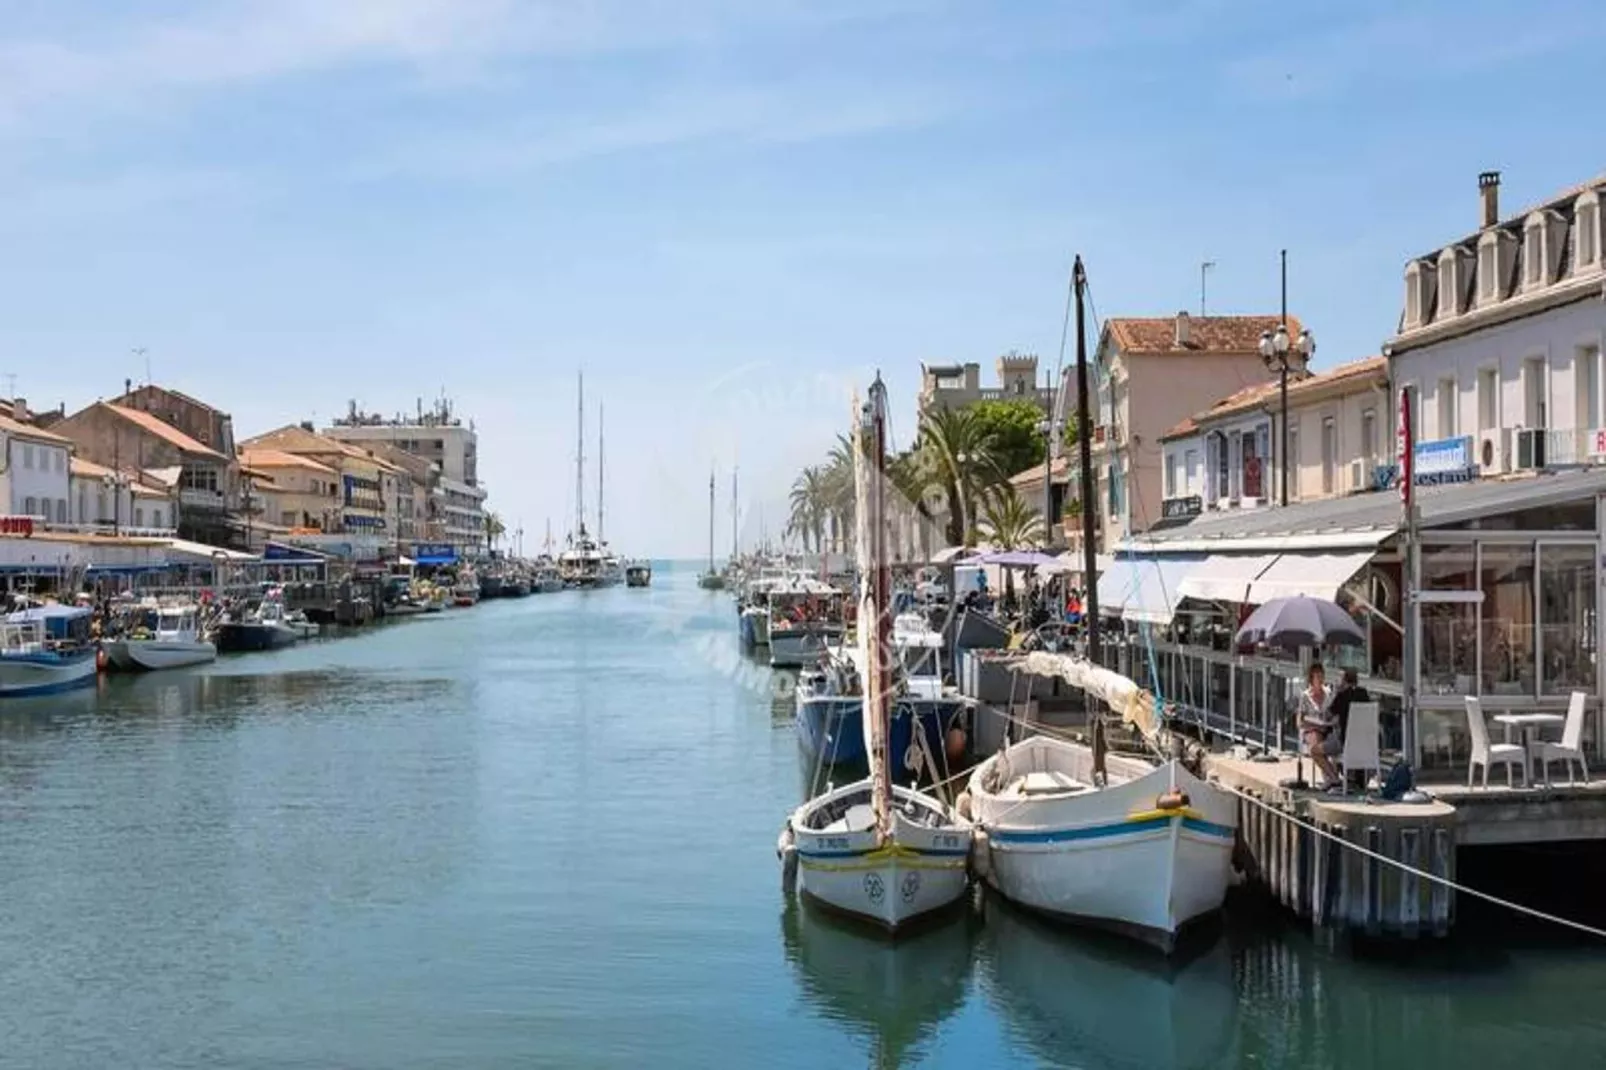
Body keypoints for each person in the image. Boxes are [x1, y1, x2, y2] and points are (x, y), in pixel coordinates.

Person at [1297, 662, 1340, 788]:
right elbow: (1299, 721)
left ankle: (1331, 778)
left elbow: (1333, 714)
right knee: (1316, 738)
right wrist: (1313, 725)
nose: (1320, 680)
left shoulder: (1328, 693)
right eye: (1317, 677)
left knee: (1331, 738)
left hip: (1327, 728)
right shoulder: (1305, 696)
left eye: (1322, 676)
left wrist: (1331, 720)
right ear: (1312, 679)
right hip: (1311, 730)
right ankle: (1333, 777)